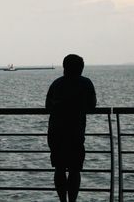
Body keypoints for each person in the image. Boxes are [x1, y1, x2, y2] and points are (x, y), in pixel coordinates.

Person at [46, 54, 96, 202]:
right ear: (81, 68)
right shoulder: (86, 83)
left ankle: (62, 200)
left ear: (64, 68)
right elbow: (92, 106)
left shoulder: (56, 84)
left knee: (59, 169)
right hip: (75, 132)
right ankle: (72, 201)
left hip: (56, 131)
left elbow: (48, 106)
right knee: (75, 169)